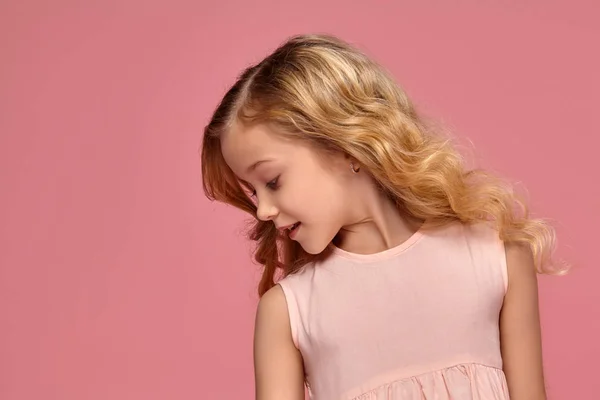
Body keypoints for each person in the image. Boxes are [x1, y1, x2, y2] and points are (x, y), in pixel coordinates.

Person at [200, 34, 567, 400]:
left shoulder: (497, 258)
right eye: (253, 192)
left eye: (272, 181)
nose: (262, 210)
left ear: (344, 145)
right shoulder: (289, 313)